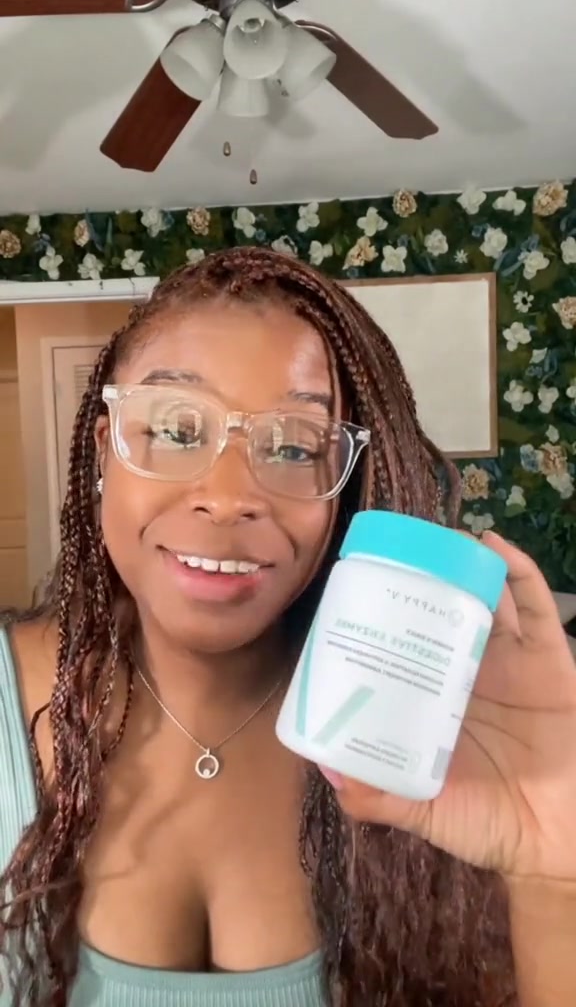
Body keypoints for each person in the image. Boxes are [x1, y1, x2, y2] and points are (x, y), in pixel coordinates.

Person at [0, 246, 575, 1007]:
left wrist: (551, 875)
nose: (228, 496)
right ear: (106, 450)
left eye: (295, 446)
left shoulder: (422, 731)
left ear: (346, 487)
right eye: (176, 430)